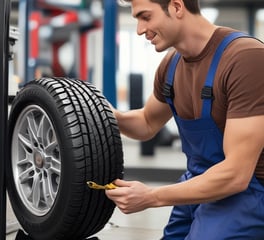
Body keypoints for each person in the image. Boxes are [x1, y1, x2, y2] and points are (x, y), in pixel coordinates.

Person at [105, 0, 264, 239]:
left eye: (145, 17)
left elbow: (236, 174)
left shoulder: (245, 59)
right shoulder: (171, 65)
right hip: (198, 183)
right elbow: (147, 122)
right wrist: (98, 113)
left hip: (248, 195)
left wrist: (152, 196)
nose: (139, 29)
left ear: (177, 7)